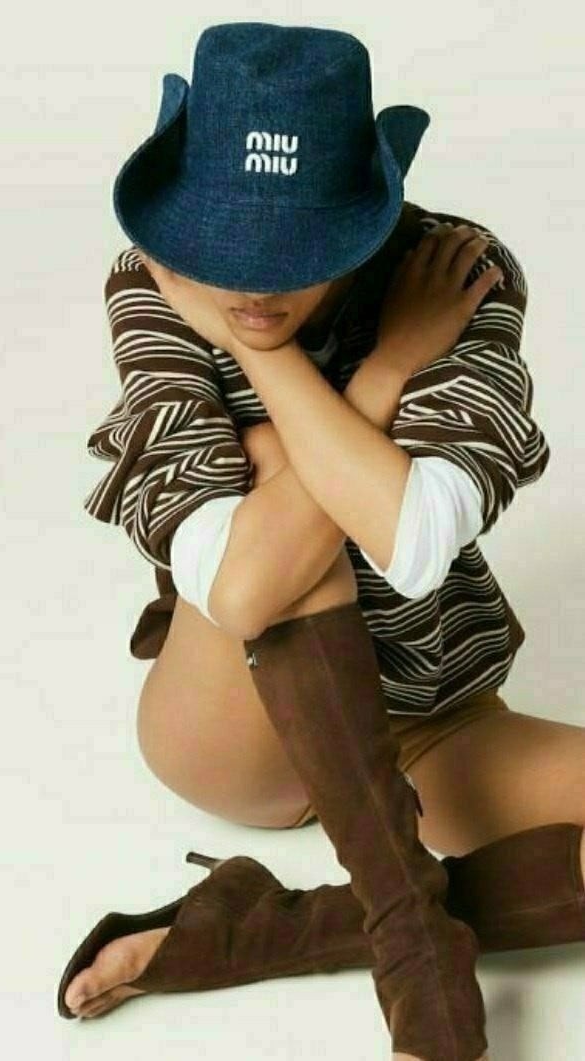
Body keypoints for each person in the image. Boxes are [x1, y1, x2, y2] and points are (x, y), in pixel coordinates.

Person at [58, 21, 585, 1060]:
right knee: (290, 532)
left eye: (294, 252)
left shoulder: (452, 274)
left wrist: (278, 394)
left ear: (365, 218)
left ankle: (242, 934)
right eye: (227, 246)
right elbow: (245, 590)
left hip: (426, 714)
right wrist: (378, 382)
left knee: (288, 496)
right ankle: (417, 961)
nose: (252, 289)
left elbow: (413, 541)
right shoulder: (153, 277)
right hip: (236, 719)